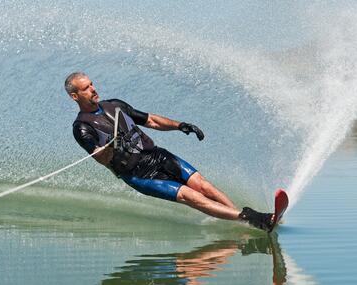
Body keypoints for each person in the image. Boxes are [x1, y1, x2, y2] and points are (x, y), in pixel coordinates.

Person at [64, 71, 275, 231]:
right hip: (138, 174)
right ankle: (253, 218)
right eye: (86, 88)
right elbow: (102, 159)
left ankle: (243, 221)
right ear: (75, 96)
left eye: (92, 84)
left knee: (203, 185)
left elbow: (151, 120)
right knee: (190, 195)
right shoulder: (82, 128)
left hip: (157, 155)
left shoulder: (115, 105)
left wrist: (180, 125)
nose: (93, 89)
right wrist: (111, 145)